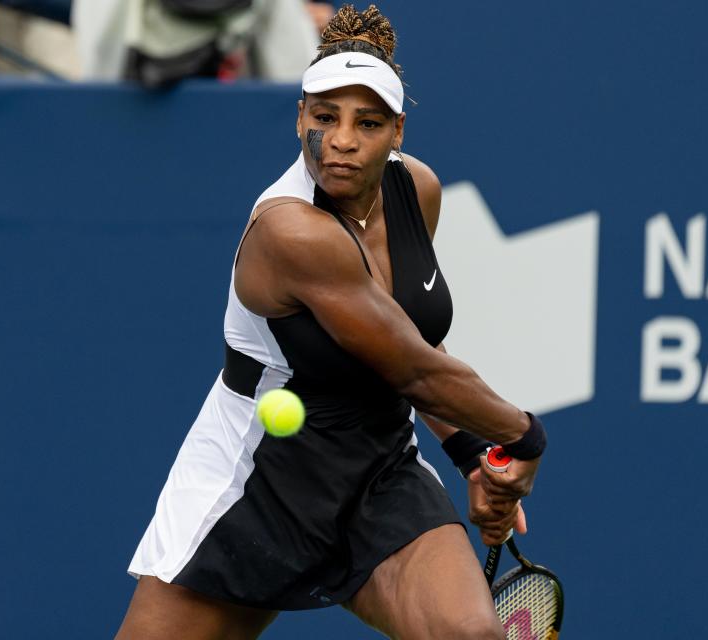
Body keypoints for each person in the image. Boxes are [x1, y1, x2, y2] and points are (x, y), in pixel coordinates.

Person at [115, 4, 548, 639]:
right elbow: (414, 367)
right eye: (324, 118)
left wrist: (472, 454)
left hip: (379, 466)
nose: (342, 139)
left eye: (366, 123)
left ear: (397, 132)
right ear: (300, 119)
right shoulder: (289, 231)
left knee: (470, 634)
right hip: (260, 479)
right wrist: (522, 436)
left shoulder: (416, 190)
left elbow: (410, 343)